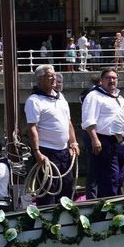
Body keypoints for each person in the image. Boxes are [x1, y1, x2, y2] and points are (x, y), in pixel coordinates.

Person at [24, 65, 80, 206]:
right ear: (40, 79)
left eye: (54, 75)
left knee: (67, 187)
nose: (54, 78)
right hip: (47, 152)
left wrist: (73, 142)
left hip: (64, 151)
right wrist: (37, 152)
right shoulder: (34, 100)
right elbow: (32, 128)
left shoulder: (61, 97)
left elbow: (68, 122)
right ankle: (47, 223)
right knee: (49, 190)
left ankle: (65, 219)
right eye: (50, 76)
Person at [81, 67, 124, 198]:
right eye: (108, 78)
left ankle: (115, 201)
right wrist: (95, 139)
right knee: (109, 176)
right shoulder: (94, 96)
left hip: (119, 141)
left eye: (114, 78)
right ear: (101, 81)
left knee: (120, 176)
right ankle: (109, 205)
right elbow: (88, 120)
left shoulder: (119, 98)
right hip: (103, 140)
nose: (112, 80)